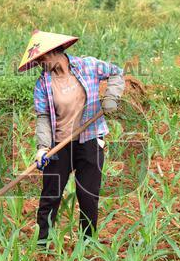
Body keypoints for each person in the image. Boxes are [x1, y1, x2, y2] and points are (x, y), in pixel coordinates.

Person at [17, 30, 125, 244]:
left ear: (57, 51)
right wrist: (42, 147)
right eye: (37, 60)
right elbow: (43, 117)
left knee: (88, 195)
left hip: (90, 139)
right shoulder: (43, 84)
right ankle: (42, 243)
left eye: (43, 57)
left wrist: (111, 97)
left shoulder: (88, 66)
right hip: (60, 144)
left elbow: (117, 72)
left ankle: (87, 243)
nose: (41, 63)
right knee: (50, 194)